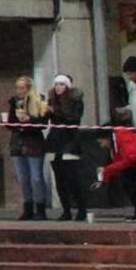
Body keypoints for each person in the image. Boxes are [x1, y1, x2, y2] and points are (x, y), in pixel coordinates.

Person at [42, 75, 93, 222]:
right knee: (59, 179)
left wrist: (55, 111)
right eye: (56, 84)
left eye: (62, 84)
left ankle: (82, 209)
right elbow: (45, 121)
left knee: (72, 178)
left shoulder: (76, 101)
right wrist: (42, 112)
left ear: (67, 86)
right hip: (54, 142)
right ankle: (66, 211)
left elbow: (74, 120)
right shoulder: (51, 100)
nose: (58, 87)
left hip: (69, 142)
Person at [4, 76, 53, 222]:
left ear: (29, 88)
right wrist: (12, 122)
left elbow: (43, 123)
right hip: (17, 143)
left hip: (34, 143)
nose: (19, 91)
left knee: (36, 177)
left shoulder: (39, 100)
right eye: (17, 88)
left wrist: (29, 121)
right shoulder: (14, 102)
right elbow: (11, 123)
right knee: (23, 177)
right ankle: (28, 207)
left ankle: (41, 208)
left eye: (22, 88)